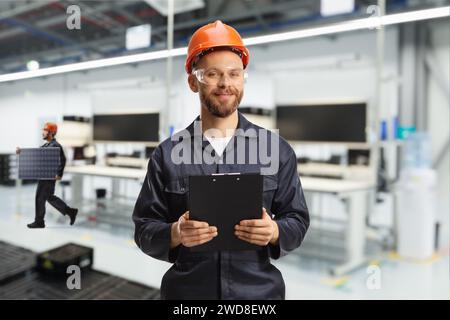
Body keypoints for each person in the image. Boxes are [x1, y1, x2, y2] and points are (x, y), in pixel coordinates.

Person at [133, 20, 309, 299]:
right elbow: (144, 228)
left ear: (243, 79)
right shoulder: (167, 154)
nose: (226, 84)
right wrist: (176, 232)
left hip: (258, 296)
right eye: (212, 74)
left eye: (234, 74)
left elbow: (297, 221)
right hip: (188, 296)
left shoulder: (276, 150)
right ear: (193, 82)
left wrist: (274, 230)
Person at [16, 122, 78, 229]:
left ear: (51, 132)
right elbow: (36, 156)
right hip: (44, 175)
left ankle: (39, 222)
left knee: (40, 197)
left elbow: (63, 159)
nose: (43, 132)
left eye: (45, 130)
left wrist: (59, 173)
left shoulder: (55, 145)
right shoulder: (46, 145)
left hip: (48, 177)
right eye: (43, 130)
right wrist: (22, 152)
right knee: (49, 197)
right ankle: (70, 211)